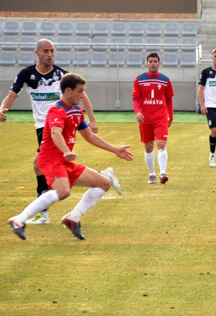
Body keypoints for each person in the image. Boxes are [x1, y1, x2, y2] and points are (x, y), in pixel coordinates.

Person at [8, 73, 132, 240]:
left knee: (103, 183)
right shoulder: (57, 110)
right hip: (51, 159)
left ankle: (73, 217)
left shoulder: (76, 111)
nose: (83, 95)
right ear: (68, 90)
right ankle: (19, 220)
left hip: (64, 161)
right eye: (80, 91)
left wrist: (115, 149)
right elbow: (55, 132)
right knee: (63, 191)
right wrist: (66, 150)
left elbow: (90, 136)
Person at [0, 39, 98, 225]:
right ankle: (98, 177)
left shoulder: (61, 75)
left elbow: (83, 95)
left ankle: (42, 213)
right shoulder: (26, 74)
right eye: (46, 51)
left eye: (52, 51)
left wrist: (92, 119)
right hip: (42, 126)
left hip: (57, 124)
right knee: (40, 166)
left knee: (40, 164)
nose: (50, 54)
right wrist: (2, 109)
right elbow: (12, 95)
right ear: (37, 53)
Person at [132, 52, 174, 184]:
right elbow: (136, 99)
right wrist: (138, 112)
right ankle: (151, 174)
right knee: (148, 147)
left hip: (160, 118)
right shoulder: (139, 79)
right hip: (145, 119)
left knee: (161, 145)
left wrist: (171, 116)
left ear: (159, 63)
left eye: (155, 61)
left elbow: (169, 100)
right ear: (147, 63)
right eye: (150, 61)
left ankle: (163, 173)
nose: (153, 63)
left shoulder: (165, 80)